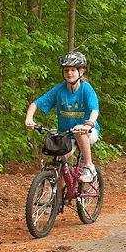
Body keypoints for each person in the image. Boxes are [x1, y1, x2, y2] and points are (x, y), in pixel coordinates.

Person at [25, 51, 100, 183]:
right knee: (58, 164)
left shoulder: (86, 89)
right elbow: (35, 104)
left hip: (88, 132)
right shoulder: (59, 90)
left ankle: (89, 166)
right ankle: (58, 201)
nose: (69, 73)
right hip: (66, 135)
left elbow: (94, 110)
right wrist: (29, 119)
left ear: (80, 72)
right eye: (66, 70)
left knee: (80, 132)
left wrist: (89, 124)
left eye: (73, 70)